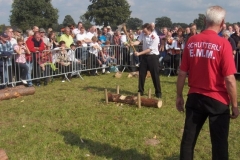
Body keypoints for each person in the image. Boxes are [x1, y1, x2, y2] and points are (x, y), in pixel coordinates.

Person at [176, 6, 239, 160]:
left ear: (204, 21)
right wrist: (235, 105)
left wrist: (179, 96)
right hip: (218, 99)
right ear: (222, 23)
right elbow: (230, 79)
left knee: (188, 141)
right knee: (219, 144)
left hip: (195, 97)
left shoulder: (191, 41)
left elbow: (182, 72)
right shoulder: (223, 44)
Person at [132, 23, 162, 98]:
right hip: (144, 57)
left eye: (145, 31)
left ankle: (158, 92)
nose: (143, 32)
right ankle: (140, 91)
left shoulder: (155, 37)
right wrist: (132, 43)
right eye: (143, 31)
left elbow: (149, 50)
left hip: (153, 57)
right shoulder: (143, 33)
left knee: (155, 75)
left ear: (149, 30)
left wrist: (139, 53)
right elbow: (138, 41)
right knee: (141, 74)